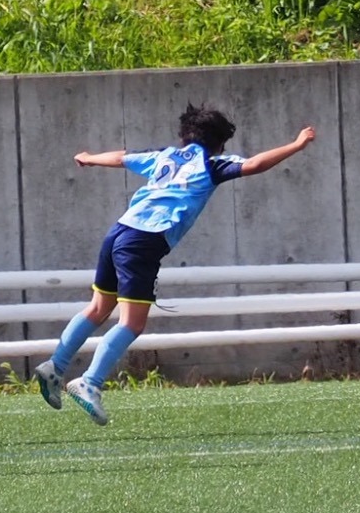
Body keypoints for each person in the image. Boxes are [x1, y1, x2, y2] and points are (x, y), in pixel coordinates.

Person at [33, 104, 316, 425]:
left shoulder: (164, 156)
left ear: (185, 136)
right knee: (132, 323)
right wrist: (297, 144)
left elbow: (122, 158)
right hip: (144, 241)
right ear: (220, 144)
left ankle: (55, 365)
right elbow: (254, 164)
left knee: (98, 308)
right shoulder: (211, 164)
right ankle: (90, 382)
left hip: (119, 232)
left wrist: (89, 157)